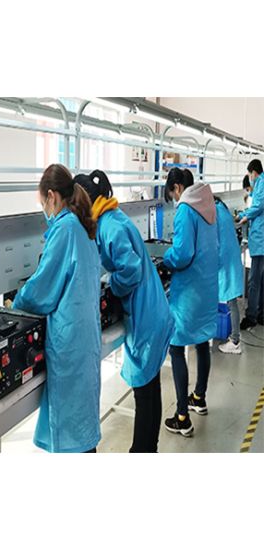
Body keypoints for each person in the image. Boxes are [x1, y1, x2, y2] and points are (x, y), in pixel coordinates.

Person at [74, 170, 174, 452]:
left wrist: (110, 282)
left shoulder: (110, 226)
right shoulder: (111, 218)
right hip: (151, 308)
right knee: (150, 387)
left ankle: (141, 450)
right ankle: (148, 448)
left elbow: (130, 270)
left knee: (145, 392)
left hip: (145, 314)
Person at [9, 164, 101, 453]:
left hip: (70, 342)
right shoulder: (81, 226)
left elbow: (42, 290)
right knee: (81, 424)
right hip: (86, 336)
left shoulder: (64, 229)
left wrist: (15, 303)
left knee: (72, 432)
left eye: (42, 204)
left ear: (51, 196)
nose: (44, 211)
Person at [162, 168, 218, 437]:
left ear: (177, 187)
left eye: (172, 194)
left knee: (176, 347)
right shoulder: (209, 205)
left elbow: (182, 254)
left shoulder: (185, 209)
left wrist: (166, 257)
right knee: (202, 342)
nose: (175, 199)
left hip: (190, 291)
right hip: (207, 287)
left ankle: (182, 417)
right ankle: (199, 397)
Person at [215, 197, 245, 354]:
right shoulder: (222, 209)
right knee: (231, 300)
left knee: (231, 301)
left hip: (226, 262)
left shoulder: (215, 213)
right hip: (231, 259)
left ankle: (235, 340)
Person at [238, 159, 264, 329]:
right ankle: (261, 314)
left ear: (254, 172)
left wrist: (245, 216)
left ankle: (251, 316)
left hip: (261, 240)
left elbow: (258, 206)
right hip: (261, 240)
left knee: (254, 280)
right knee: (261, 279)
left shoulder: (261, 183)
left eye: (249, 174)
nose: (250, 178)